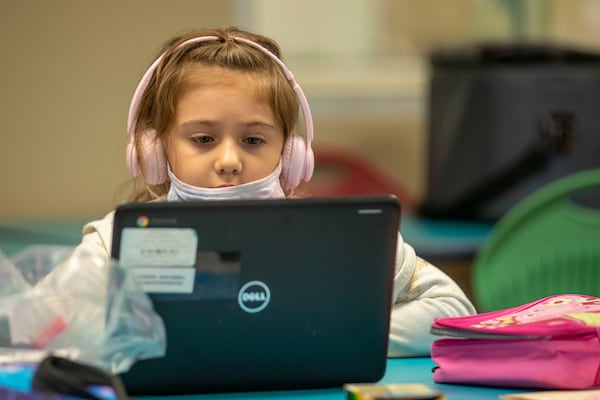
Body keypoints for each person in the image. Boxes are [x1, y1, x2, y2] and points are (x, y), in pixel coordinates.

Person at [70, 26, 476, 356]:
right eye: (203, 138)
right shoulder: (112, 244)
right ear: (155, 152)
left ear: (290, 154)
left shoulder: (338, 237)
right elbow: (57, 322)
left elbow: (454, 312)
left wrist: (326, 337)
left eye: (253, 141)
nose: (229, 160)